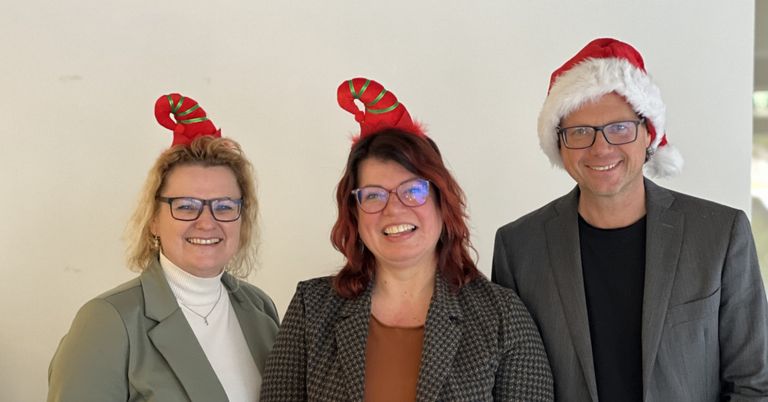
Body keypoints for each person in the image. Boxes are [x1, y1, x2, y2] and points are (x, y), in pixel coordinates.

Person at [492, 38, 768, 401]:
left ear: (649, 134)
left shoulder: (720, 234)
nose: (601, 147)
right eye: (580, 132)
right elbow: (514, 387)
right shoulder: (519, 247)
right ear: (559, 145)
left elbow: (753, 383)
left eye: (620, 128)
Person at [260, 78, 554, 401]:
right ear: (354, 214)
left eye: (412, 191)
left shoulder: (503, 318)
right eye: (373, 195)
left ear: (442, 203)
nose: (394, 210)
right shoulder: (311, 308)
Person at [48, 93, 279, 402]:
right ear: (154, 220)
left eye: (223, 206)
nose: (207, 222)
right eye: (186, 206)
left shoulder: (259, 309)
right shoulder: (108, 322)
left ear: (242, 218)